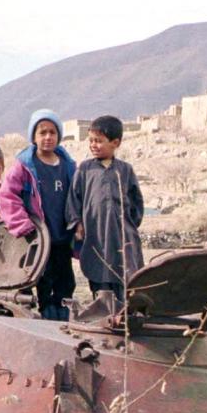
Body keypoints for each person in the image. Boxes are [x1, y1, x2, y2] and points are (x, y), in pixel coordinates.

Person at [0, 109, 78, 320]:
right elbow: (7, 196)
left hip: (63, 235)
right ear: (33, 136)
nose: (47, 137)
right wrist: (23, 225)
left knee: (66, 278)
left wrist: (79, 222)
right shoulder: (24, 166)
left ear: (59, 136)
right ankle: (47, 315)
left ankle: (64, 315)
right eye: (42, 132)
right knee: (44, 279)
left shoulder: (68, 166)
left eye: (52, 132)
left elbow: (79, 195)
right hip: (40, 238)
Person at [66, 115, 144, 306]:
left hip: (122, 237)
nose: (93, 145)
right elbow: (73, 200)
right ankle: (102, 314)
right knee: (100, 277)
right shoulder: (85, 169)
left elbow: (136, 203)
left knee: (126, 278)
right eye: (91, 140)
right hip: (96, 236)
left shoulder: (125, 170)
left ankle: (125, 318)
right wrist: (77, 223)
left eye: (99, 141)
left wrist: (128, 226)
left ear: (115, 143)